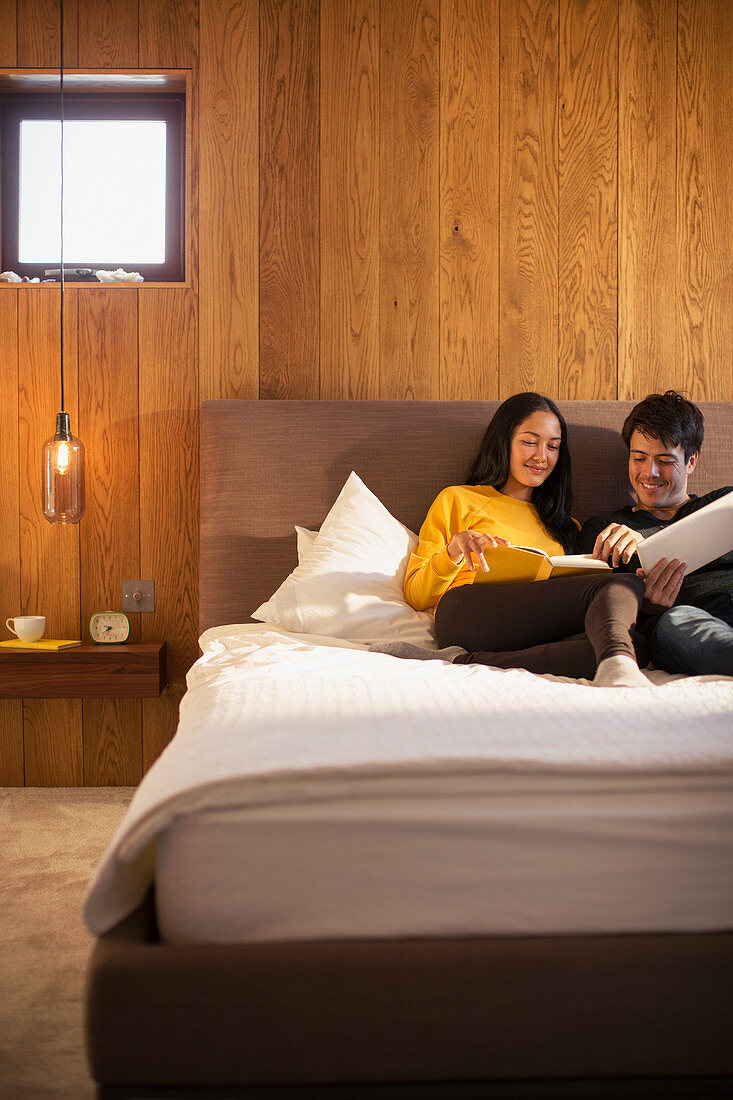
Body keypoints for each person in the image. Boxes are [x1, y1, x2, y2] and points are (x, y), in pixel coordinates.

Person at [372, 392, 650, 687]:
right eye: (530, 442)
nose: (542, 456)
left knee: (637, 645)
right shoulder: (459, 499)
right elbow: (416, 594)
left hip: (534, 627)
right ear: (503, 441)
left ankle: (462, 660)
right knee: (622, 586)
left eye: (553, 447)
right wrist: (453, 551)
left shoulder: (566, 526)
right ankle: (615, 663)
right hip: (468, 612)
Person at [580, 390, 733, 676]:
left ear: (691, 461)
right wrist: (647, 606)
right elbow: (599, 608)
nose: (649, 472)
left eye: (664, 460)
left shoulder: (723, 504)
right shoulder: (605, 530)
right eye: (639, 458)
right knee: (675, 624)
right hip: (689, 621)